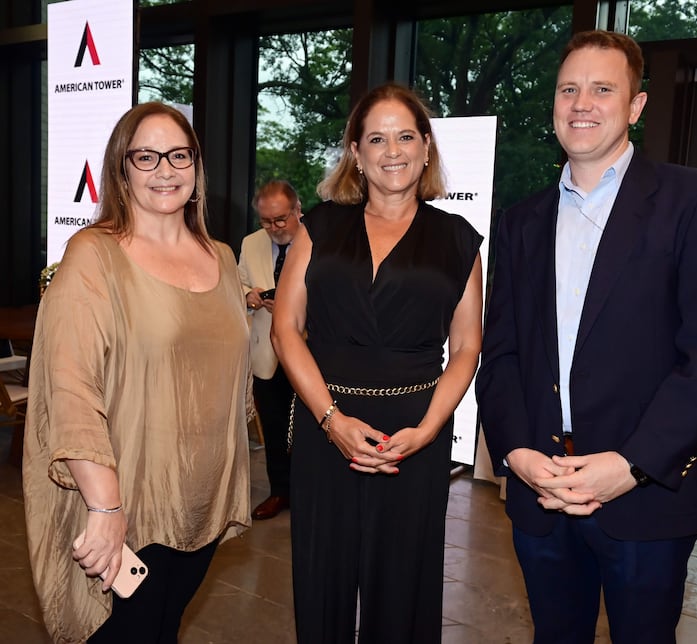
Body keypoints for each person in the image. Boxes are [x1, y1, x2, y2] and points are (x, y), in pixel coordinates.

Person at [476, 30, 697, 644]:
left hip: (645, 498)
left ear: (636, 106)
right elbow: (502, 354)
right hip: (540, 492)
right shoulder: (521, 222)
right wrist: (516, 452)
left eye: (603, 89)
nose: (581, 103)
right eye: (568, 89)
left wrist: (631, 464)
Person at [22, 102, 252, 643]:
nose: (164, 170)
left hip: (199, 505)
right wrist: (106, 507)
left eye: (178, 155)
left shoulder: (220, 258)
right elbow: (71, 388)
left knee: (163, 628)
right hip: (126, 503)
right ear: (121, 170)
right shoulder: (94, 255)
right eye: (145, 157)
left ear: (196, 167)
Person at [270, 82, 483, 643]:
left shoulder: (458, 239)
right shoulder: (319, 225)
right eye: (377, 138)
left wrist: (429, 431)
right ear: (356, 154)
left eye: (406, 135)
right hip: (325, 425)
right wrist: (330, 421)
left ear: (427, 146)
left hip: (416, 433)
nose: (394, 150)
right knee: (323, 582)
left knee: (404, 589)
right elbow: (286, 329)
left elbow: (465, 347)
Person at [238, 179, 302, 519]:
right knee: (274, 428)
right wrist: (250, 295)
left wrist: (296, 308)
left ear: (297, 210)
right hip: (265, 353)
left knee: (310, 430)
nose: (274, 228)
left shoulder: (319, 242)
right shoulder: (251, 243)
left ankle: (309, 495)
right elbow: (239, 280)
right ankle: (279, 492)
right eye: (266, 221)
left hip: (310, 354)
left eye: (280, 219)